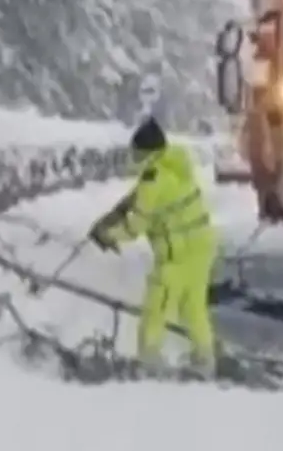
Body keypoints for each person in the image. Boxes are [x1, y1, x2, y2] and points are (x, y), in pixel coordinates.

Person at [88, 117, 218, 376]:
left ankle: (148, 363)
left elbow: (135, 226)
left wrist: (108, 235)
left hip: (176, 255)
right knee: (193, 309)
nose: (134, 157)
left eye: (136, 152)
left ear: (146, 152)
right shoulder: (176, 167)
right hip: (201, 249)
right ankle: (205, 360)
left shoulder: (153, 180)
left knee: (155, 310)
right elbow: (147, 200)